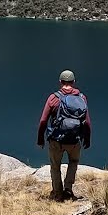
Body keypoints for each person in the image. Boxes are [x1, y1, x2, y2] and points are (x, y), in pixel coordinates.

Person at [36, 69, 91, 201]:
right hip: (74, 140)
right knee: (73, 162)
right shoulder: (81, 98)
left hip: (56, 140)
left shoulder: (53, 98)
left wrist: (40, 139)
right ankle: (68, 189)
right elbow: (87, 122)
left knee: (55, 166)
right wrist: (87, 139)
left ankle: (57, 193)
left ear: (60, 82)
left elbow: (43, 120)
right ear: (73, 82)